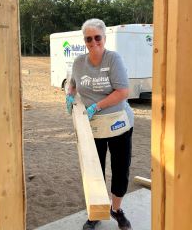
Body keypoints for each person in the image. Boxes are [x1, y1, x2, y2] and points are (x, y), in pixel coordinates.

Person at [66, 18, 134, 230]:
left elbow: (123, 92)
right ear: (84, 40)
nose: (93, 42)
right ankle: (96, 211)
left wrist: (98, 106)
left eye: (97, 37)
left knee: (120, 169)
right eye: (88, 38)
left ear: (104, 38)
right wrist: (70, 95)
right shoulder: (79, 62)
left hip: (117, 124)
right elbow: (73, 83)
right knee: (94, 171)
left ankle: (116, 209)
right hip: (91, 127)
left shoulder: (113, 59)